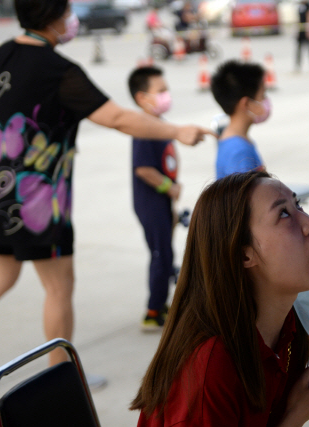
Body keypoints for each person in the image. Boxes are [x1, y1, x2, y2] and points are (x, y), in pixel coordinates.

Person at [0, 0, 213, 366]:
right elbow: (119, 118)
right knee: (59, 288)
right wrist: (177, 130)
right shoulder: (58, 71)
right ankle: (61, 381)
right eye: (67, 12)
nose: (71, 19)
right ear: (54, 17)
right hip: (40, 206)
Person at [131, 171, 309, 426]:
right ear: (244, 255)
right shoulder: (210, 367)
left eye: (299, 205)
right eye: (283, 214)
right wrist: (296, 416)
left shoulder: (290, 325)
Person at [128, 66, 181, 331]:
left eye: (166, 89)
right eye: (160, 91)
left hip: (161, 203)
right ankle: (152, 312)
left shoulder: (157, 125)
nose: (166, 95)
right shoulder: (143, 128)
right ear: (142, 98)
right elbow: (143, 169)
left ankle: (161, 303)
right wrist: (167, 187)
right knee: (161, 255)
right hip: (150, 202)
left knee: (166, 252)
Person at [210, 60, 269, 180]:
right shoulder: (239, 151)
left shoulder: (236, 141)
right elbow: (243, 198)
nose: (266, 102)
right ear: (246, 104)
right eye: (262, 96)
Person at [294, 0, 309, 73]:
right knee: (299, 49)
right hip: (301, 31)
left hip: (307, 31)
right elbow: (298, 19)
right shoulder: (300, 6)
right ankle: (297, 66)